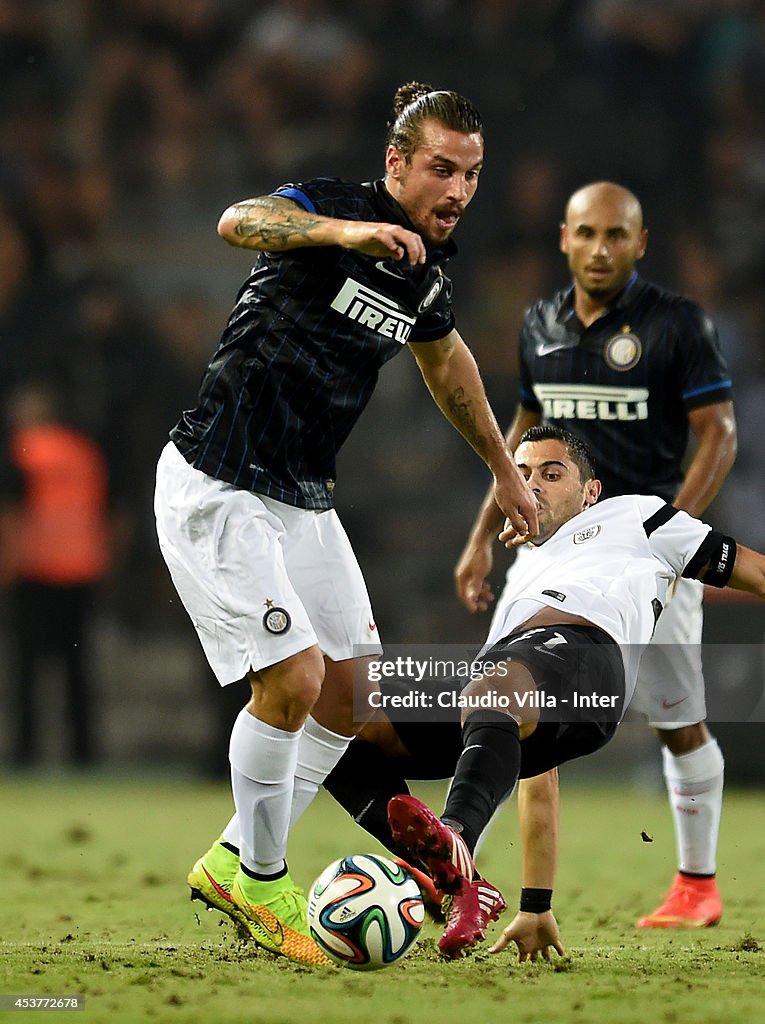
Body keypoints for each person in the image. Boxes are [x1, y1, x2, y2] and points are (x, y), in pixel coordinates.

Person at [153, 81, 538, 967]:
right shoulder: (333, 208)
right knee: (290, 680)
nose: (457, 191)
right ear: (396, 162)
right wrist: (342, 233)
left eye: (471, 175)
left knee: (352, 696)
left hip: (302, 497)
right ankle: (259, 874)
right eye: (441, 169)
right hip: (219, 481)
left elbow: (448, 369)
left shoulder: (426, 272)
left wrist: (501, 471)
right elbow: (236, 222)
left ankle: (234, 861)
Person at [325, 424, 764, 960]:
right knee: (334, 720)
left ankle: (455, 838)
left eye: (552, 474)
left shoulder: (638, 517)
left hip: (591, 661)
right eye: (522, 473)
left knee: (496, 685)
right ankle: (463, 883)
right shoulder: (520, 583)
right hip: (519, 678)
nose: (533, 484)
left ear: (589, 492)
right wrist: (536, 903)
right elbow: (533, 768)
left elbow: (755, 571)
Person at [454, 181, 737, 929]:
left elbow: (719, 432)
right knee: (504, 702)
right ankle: (465, 876)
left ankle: (695, 884)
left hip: (641, 554)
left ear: (640, 243)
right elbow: (519, 434)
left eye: (616, 235)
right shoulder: (538, 322)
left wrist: (673, 535)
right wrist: (481, 538)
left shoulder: (675, 325)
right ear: (563, 238)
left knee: (679, 721)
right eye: (586, 234)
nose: (600, 249)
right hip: (546, 546)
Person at [0, 381, 111, 766]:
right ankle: (84, 752)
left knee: (27, 670)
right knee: (77, 667)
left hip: (35, 568)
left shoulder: (21, 452)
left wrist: (7, 565)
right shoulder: (83, 451)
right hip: (82, 568)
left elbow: (12, 512)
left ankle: (25, 752)